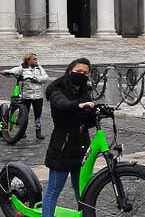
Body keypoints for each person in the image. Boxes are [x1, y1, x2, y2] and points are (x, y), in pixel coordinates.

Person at [41, 58, 95, 217]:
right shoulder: (59, 89)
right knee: (53, 191)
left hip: (81, 148)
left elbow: (89, 123)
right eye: (79, 71)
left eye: (85, 73)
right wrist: (78, 105)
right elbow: (61, 104)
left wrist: (95, 112)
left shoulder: (84, 92)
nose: (82, 75)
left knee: (83, 192)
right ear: (69, 71)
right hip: (62, 149)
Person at [0, 52, 50, 140]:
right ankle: (22, 131)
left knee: (38, 115)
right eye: (34, 59)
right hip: (26, 96)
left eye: (36, 59)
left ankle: (38, 132)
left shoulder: (39, 68)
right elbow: (14, 71)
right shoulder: (22, 68)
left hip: (38, 96)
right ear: (28, 60)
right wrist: (5, 72)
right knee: (23, 114)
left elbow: (46, 77)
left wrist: (37, 79)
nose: (36, 60)